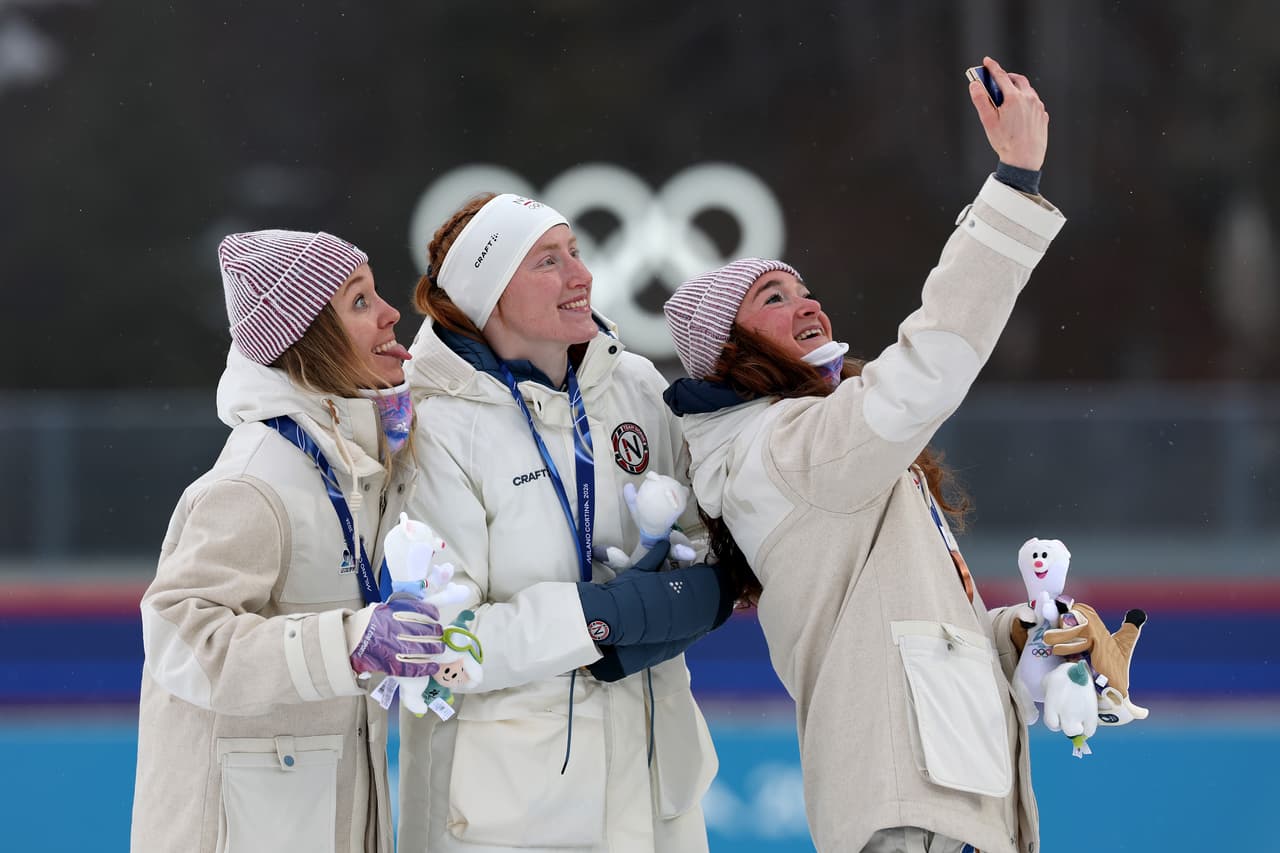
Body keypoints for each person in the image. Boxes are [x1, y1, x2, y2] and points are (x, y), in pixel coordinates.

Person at [662, 58, 1067, 853]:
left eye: (802, 287)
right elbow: (930, 362)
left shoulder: (815, 447)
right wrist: (1014, 185)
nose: (806, 301)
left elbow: (909, 636)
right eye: (772, 298)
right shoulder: (780, 449)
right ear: (728, 351)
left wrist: (1020, 637)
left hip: (943, 804)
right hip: (910, 816)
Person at [396, 193, 737, 852]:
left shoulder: (634, 383)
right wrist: (596, 618)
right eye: (548, 261)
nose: (582, 275)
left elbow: (704, 534)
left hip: (658, 790)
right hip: (510, 813)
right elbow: (440, 644)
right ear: (489, 296)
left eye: (575, 252)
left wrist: (700, 588)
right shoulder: (436, 427)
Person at [131, 229, 449, 853]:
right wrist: (349, 644)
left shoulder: (351, 466)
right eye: (359, 301)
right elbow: (179, 641)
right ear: (307, 340)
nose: (391, 313)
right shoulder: (255, 482)